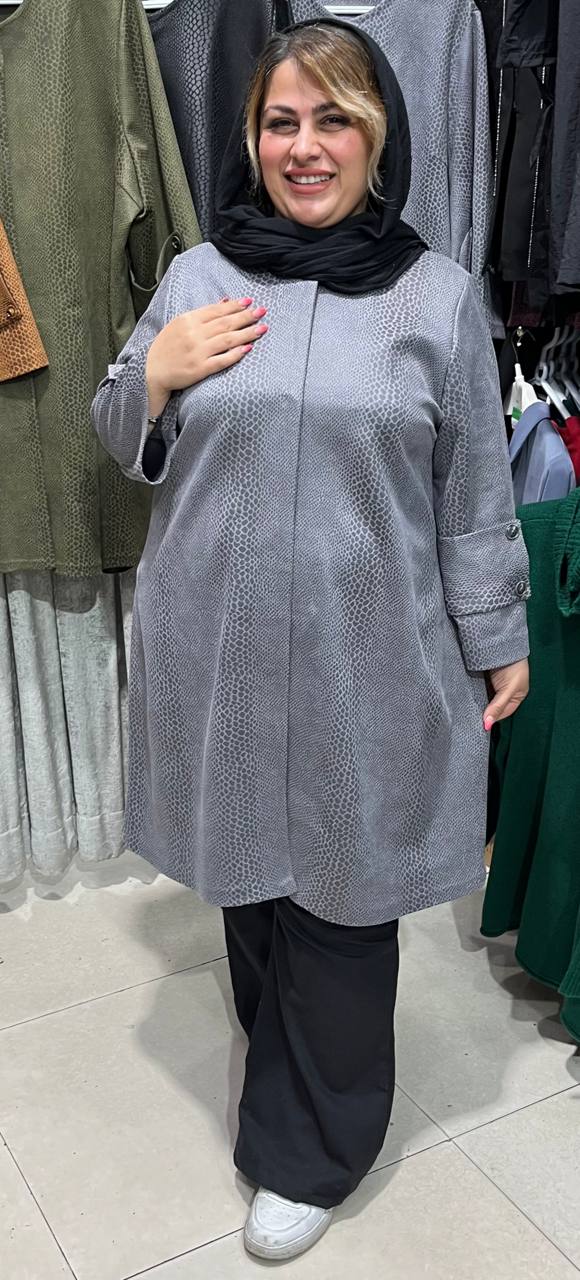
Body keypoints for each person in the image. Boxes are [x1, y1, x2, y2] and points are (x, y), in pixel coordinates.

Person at [91, 18, 530, 1264]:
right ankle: (276, 1054)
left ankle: (310, 1148)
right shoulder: (197, 279)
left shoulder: (436, 298)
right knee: (247, 881)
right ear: (251, 137)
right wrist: (155, 375)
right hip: (220, 653)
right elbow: (119, 439)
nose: (304, 145)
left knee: (341, 901)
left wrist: (496, 632)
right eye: (281, 121)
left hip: (362, 661)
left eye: (334, 118)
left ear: (378, 134)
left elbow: (472, 495)